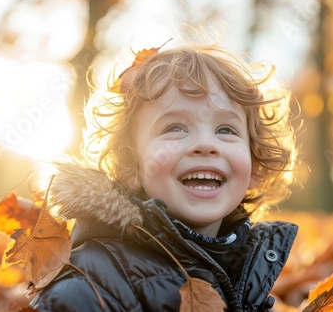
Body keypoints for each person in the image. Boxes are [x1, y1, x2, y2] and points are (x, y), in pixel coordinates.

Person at [29, 41, 299, 311]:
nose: (206, 144)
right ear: (131, 166)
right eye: (176, 127)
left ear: (254, 164)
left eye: (226, 130)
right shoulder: (88, 283)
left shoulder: (247, 274)